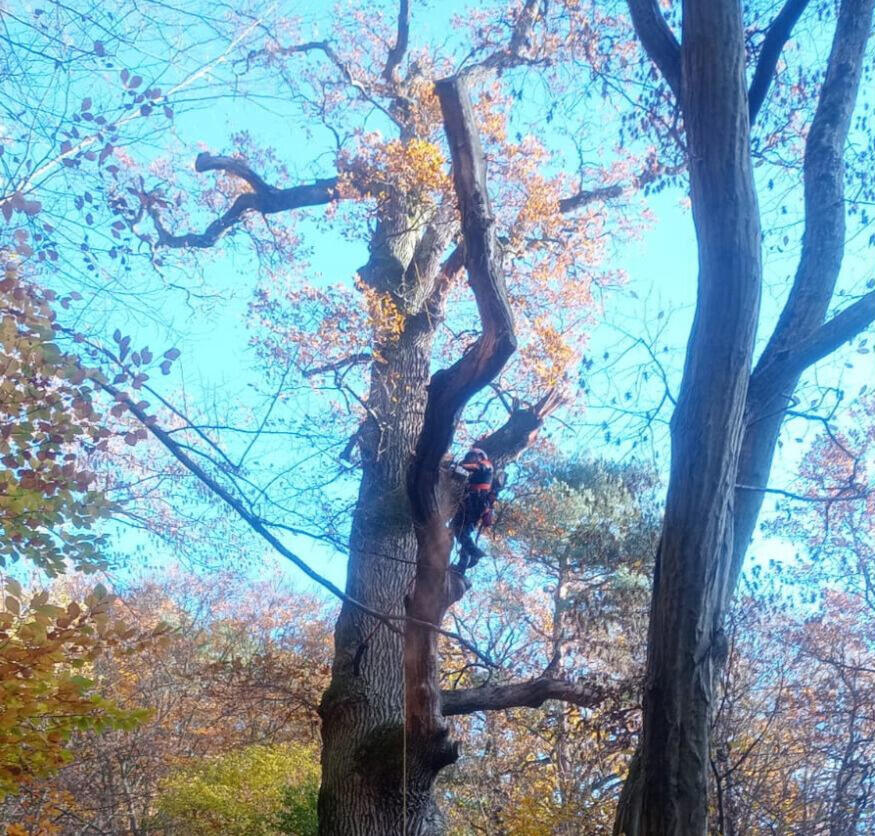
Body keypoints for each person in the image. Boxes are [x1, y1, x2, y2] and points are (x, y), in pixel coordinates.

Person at [451, 447, 497, 575]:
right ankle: (462, 566)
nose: (469, 460)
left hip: (477, 501)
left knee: (459, 529)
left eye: (472, 457)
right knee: (461, 530)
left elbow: (476, 467)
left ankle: (474, 553)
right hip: (473, 502)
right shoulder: (475, 476)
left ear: (480, 457)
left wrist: (462, 464)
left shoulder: (486, 465)